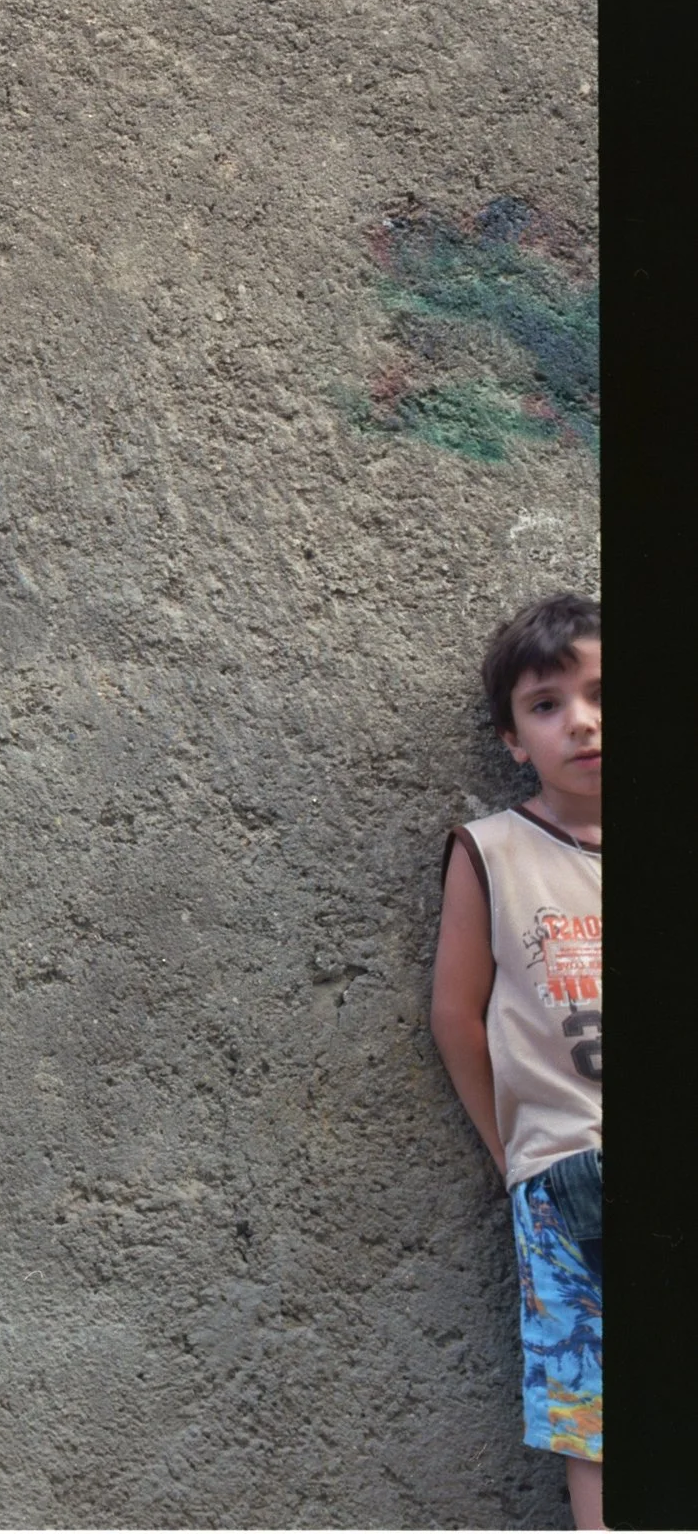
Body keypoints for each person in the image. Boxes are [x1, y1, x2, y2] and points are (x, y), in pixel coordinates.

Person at [431, 592, 603, 1528]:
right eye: (547, 705)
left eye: (606, 692)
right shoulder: (493, 852)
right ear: (512, 737)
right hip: (568, 1172)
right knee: (596, 1409)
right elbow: (457, 1016)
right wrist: (514, 1159)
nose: (583, 721)